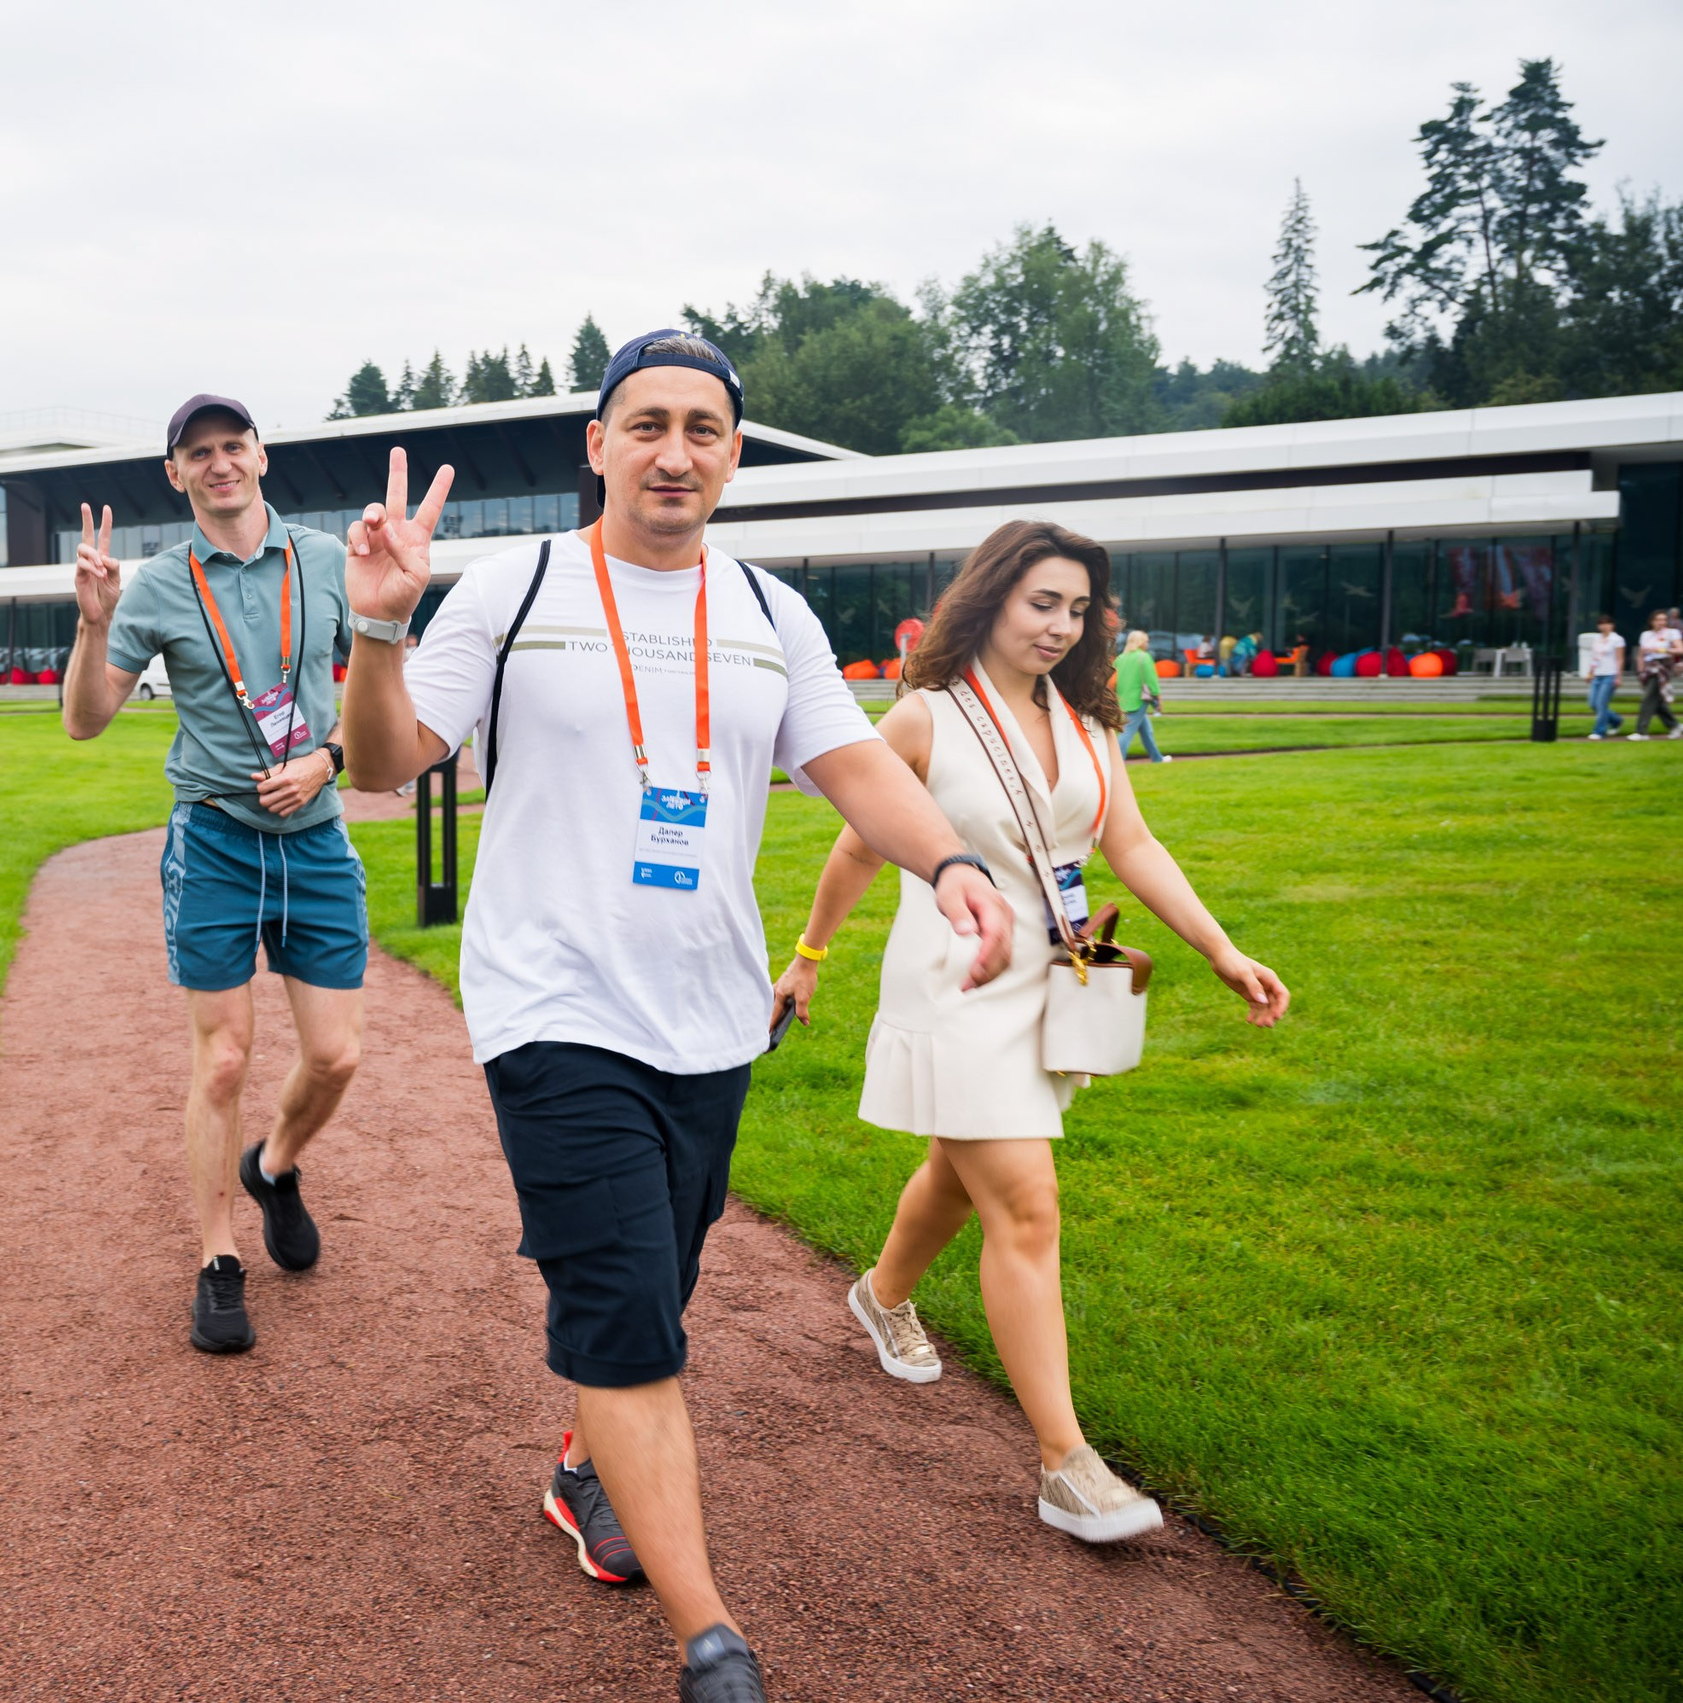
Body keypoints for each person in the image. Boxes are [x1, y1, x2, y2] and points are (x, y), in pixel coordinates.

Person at [339, 331, 1014, 1703]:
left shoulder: (770, 610)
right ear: (597, 445)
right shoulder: (516, 586)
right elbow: (382, 763)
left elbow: (852, 766)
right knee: (630, 1309)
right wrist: (378, 629)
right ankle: (712, 1640)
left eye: (702, 428)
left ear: (732, 456)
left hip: (711, 1010)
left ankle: (581, 1460)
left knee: (663, 1272)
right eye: (645, 423)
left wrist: (948, 861)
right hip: (550, 1002)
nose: (673, 451)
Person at [770, 518, 1291, 1548]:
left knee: (960, 1172)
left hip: (1050, 981)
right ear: (992, 597)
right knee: (1025, 1199)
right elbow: (859, 846)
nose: (1060, 625)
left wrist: (1221, 949)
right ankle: (1066, 1462)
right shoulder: (923, 716)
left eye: (1078, 609)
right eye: (1041, 601)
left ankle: (881, 1295)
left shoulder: (1089, 724)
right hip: (953, 980)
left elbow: (1131, 843)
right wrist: (809, 954)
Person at [61, 393, 366, 1356]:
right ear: (176, 473)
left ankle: (272, 1165)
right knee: (225, 1055)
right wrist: (93, 626)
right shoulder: (156, 584)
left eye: (234, 445)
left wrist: (327, 758)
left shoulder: (327, 561)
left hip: (315, 836)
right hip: (217, 836)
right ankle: (217, 1259)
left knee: (336, 1056)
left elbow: (384, 693)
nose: (220, 462)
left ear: (261, 455)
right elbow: (85, 720)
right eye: (199, 452)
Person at [1112, 630, 1169, 762]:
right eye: (1146, 641)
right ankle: (1117, 762)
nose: (1147, 644)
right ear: (1141, 642)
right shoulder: (1144, 657)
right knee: (1126, 733)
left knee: (1146, 731)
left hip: (1123, 699)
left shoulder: (1120, 659)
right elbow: (1151, 681)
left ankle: (1157, 758)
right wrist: (1158, 698)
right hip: (1139, 700)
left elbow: (1113, 680)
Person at [1634, 609, 1683, 739]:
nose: (1661, 622)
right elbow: (1641, 654)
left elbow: (1681, 650)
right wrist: (1640, 670)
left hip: (1662, 666)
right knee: (1656, 701)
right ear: (1652, 621)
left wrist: (1662, 649)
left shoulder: (1671, 633)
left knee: (1648, 699)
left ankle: (1641, 732)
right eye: (1658, 620)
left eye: (1664, 620)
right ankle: (1675, 725)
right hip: (1648, 667)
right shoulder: (1646, 635)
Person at [1583, 613, 1627, 740]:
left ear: (1612, 625)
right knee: (1593, 703)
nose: (1604, 626)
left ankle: (1599, 731)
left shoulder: (1617, 639)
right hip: (1597, 674)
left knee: (1601, 703)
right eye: (1601, 624)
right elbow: (1595, 657)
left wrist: (1619, 676)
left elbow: (1620, 659)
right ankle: (1616, 720)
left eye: (1607, 624)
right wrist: (1590, 672)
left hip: (1610, 674)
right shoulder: (1597, 639)